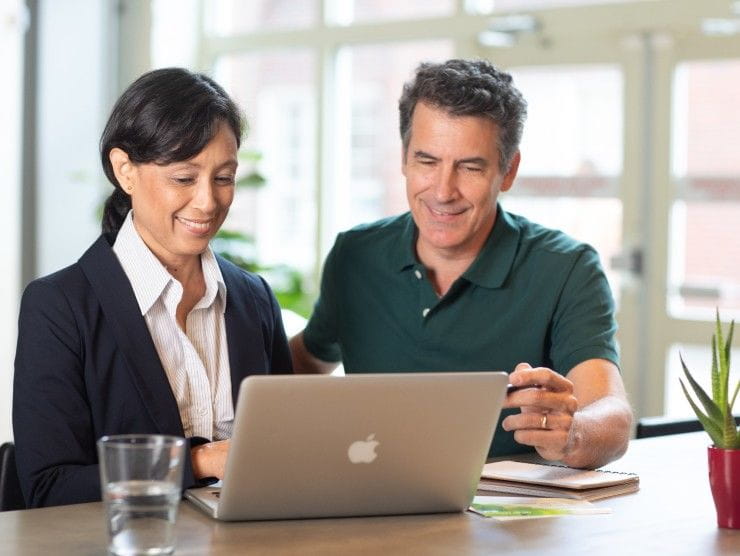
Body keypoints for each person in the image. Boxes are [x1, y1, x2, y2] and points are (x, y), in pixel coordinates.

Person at [290, 59, 632, 469]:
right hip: (373, 499)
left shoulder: (567, 268)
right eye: (427, 161)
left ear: (508, 171)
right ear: (404, 158)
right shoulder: (355, 254)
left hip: (505, 522)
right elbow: (308, 359)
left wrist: (572, 433)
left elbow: (611, 416)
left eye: (470, 167)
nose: (443, 191)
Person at [13, 68, 292, 508]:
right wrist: (199, 462)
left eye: (223, 178)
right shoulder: (60, 306)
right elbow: (49, 487)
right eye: (184, 179)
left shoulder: (254, 298)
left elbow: (286, 454)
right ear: (124, 170)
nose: (208, 201)